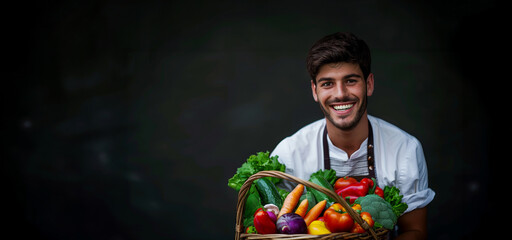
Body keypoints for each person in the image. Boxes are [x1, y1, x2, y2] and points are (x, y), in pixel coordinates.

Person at [271, 32, 435, 240]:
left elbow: (415, 231)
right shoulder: (290, 153)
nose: (340, 94)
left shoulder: (405, 149)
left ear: (369, 84)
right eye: (327, 84)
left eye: (350, 80)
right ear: (314, 91)